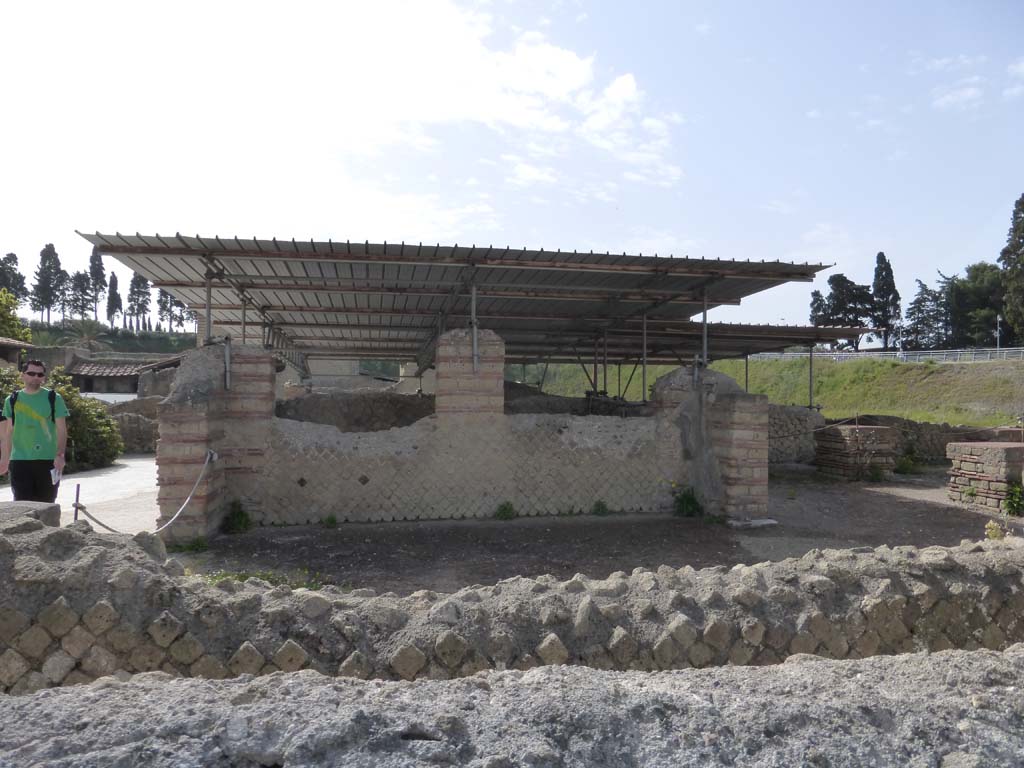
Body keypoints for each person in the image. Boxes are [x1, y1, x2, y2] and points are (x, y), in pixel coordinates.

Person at [0, 360, 70, 502]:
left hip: (48, 460)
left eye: (40, 374)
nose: (36, 377)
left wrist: (60, 455)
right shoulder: (11, 400)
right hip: (19, 461)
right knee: (22, 505)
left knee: (47, 504)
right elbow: (8, 432)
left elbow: (62, 430)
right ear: (22, 375)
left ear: (44, 377)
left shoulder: (54, 398)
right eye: (31, 373)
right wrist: (5, 460)